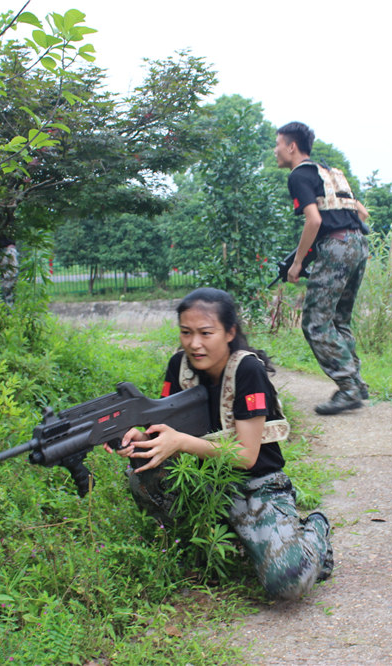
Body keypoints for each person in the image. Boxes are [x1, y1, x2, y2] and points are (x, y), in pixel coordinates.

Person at [106, 287, 333, 599]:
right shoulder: (180, 367)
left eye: (205, 333)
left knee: (289, 580)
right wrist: (142, 439)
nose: (194, 343)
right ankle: (188, 545)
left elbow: (247, 456)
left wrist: (181, 442)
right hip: (204, 483)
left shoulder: (247, 370)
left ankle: (316, 530)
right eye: (186, 332)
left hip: (258, 487)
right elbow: (165, 434)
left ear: (229, 332)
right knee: (144, 471)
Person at [274, 122, 370, 415]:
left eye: (277, 144)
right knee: (339, 318)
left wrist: (299, 262)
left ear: (292, 147)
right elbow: (361, 211)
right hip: (358, 243)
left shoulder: (299, 175)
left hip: (336, 247)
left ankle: (348, 388)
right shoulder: (329, 172)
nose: (275, 150)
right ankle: (357, 382)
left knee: (315, 322)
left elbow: (314, 221)